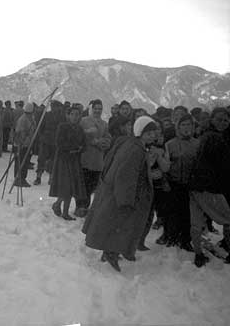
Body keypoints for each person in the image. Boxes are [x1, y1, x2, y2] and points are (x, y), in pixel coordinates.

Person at [82, 116, 156, 272]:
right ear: (140, 132)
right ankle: (111, 254)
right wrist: (126, 200)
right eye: (148, 133)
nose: (152, 136)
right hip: (123, 195)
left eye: (153, 133)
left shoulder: (129, 143)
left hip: (114, 192)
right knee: (121, 226)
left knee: (111, 224)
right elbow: (126, 175)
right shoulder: (136, 150)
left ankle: (108, 252)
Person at [189, 107, 230, 267]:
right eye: (219, 119)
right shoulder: (216, 139)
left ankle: (199, 254)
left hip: (195, 186)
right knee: (228, 220)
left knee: (196, 223)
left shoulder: (205, 136)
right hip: (209, 188)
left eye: (226, 120)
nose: (222, 122)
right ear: (212, 119)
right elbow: (222, 168)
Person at [164, 114, 199, 251]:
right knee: (173, 212)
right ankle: (171, 236)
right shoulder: (170, 144)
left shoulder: (197, 144)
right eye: (183, 125)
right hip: (174, 183)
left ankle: (185, 239)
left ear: (193, 127)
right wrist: (165, 182)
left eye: (189, 124)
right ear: (178, 127)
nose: (186, 128)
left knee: (188, 214)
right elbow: (166, 166)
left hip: (191, 185)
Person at [49, 106, 86, 220]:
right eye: (73, 114)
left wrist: (81, 148)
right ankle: (64, 211)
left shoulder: (79, 129)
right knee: (66, 186)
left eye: (77, 114)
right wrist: (74, 147)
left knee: (70, 186)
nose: (75, 117)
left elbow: (84, 143)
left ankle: (58, 205)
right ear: (68, 115)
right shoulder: (62, 127)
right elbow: (59, 143)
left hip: (74, 160)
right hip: (63, 160)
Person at [75, 99, 111, 217]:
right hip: (85, 157)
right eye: (95, 108)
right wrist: (92, 140)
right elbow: (79, 136)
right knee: (82, 184)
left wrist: (103, 143)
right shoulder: (83, 121)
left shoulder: (104, 124)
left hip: (98, 159)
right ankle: (80, 206)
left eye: (100, 109)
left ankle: (85, 207)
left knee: (92, 185)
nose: (97, 111)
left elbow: (108, 138)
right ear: (91, 109)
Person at [33, 100, 65, 186]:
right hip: (45, 140)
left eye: (55, 106)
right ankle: (38, 177)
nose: (54, 108)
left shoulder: (62, 117)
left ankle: (51, 178)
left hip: (56, 141)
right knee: (41, 159)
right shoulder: (46, 115)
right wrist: (41, 137)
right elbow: (41, 127)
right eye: (53, 106)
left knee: (53, 160)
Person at [13, 102, 36, 187]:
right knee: (20, 162)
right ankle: (18, 179)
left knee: (25, 162)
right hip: (21, 145)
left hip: (28, 144)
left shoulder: (31, 118)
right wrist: (22, 141)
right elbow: (19, 132)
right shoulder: (23, 119)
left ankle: (22, 178)